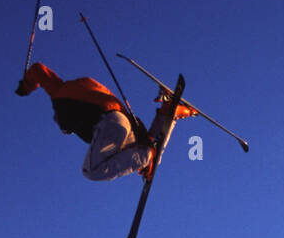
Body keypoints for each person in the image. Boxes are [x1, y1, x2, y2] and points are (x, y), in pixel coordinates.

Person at [16, 62, 195, 181]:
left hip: (109, 123)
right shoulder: (89, 88)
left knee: (91, 171)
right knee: (145, 146)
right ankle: (168, 114)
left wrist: (26, 86)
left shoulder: (60, 93)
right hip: (126, 123)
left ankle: (145, 157)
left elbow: (38, 70)